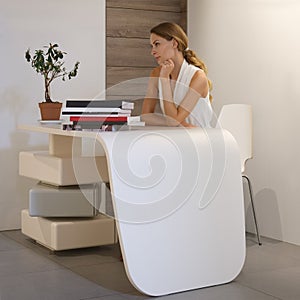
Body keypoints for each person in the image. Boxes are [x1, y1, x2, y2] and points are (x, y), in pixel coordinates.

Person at [141, 22, 213, 127]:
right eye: (152, 46)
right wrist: (183, 125)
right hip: (177, 137)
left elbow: (173, 122)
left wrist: (164, 79)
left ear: (174, 43)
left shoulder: (198, 77)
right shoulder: (156, 73)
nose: (153, 51)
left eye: (157, 44)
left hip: (200, 139)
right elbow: (145, 116)